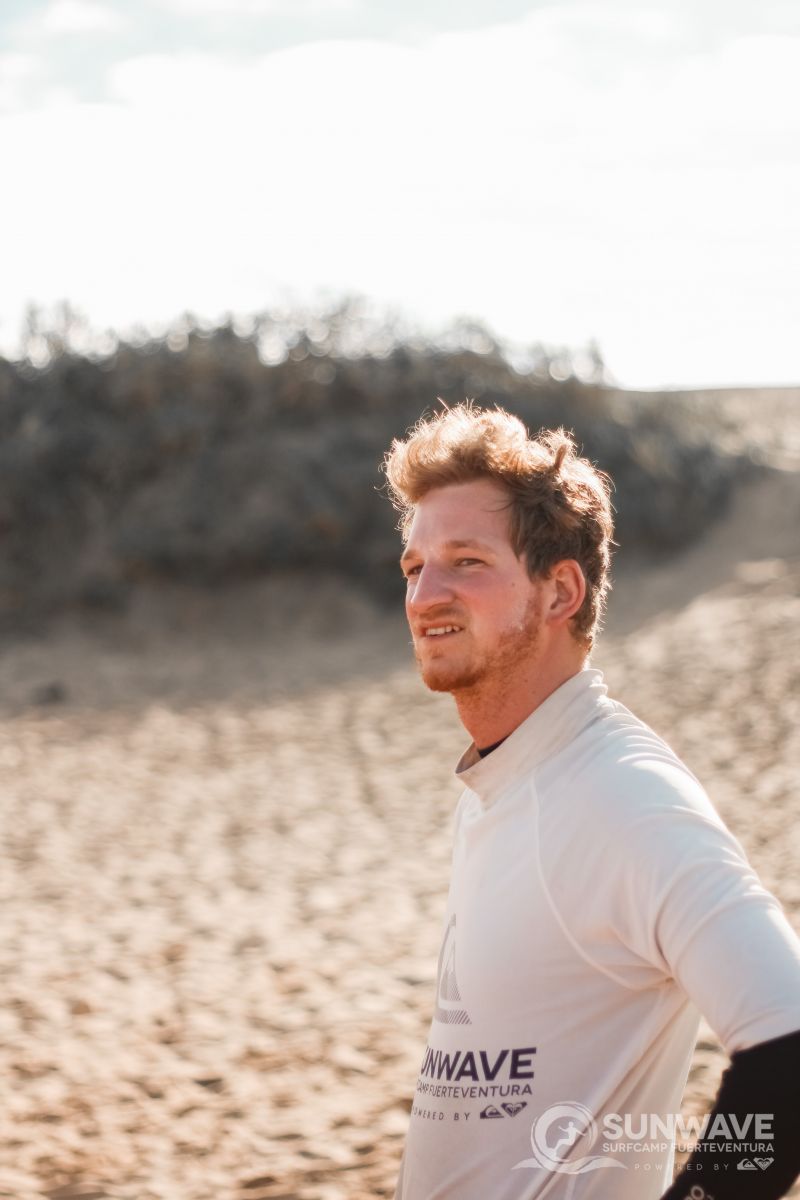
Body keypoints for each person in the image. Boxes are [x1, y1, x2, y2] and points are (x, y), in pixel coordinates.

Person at [382, 404, 800, 1200]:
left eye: (466, 561)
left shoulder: (622, 795)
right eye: (414, 567)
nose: (425, 594)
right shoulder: (504, 780)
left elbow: (789, 1045)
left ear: (560, 592)